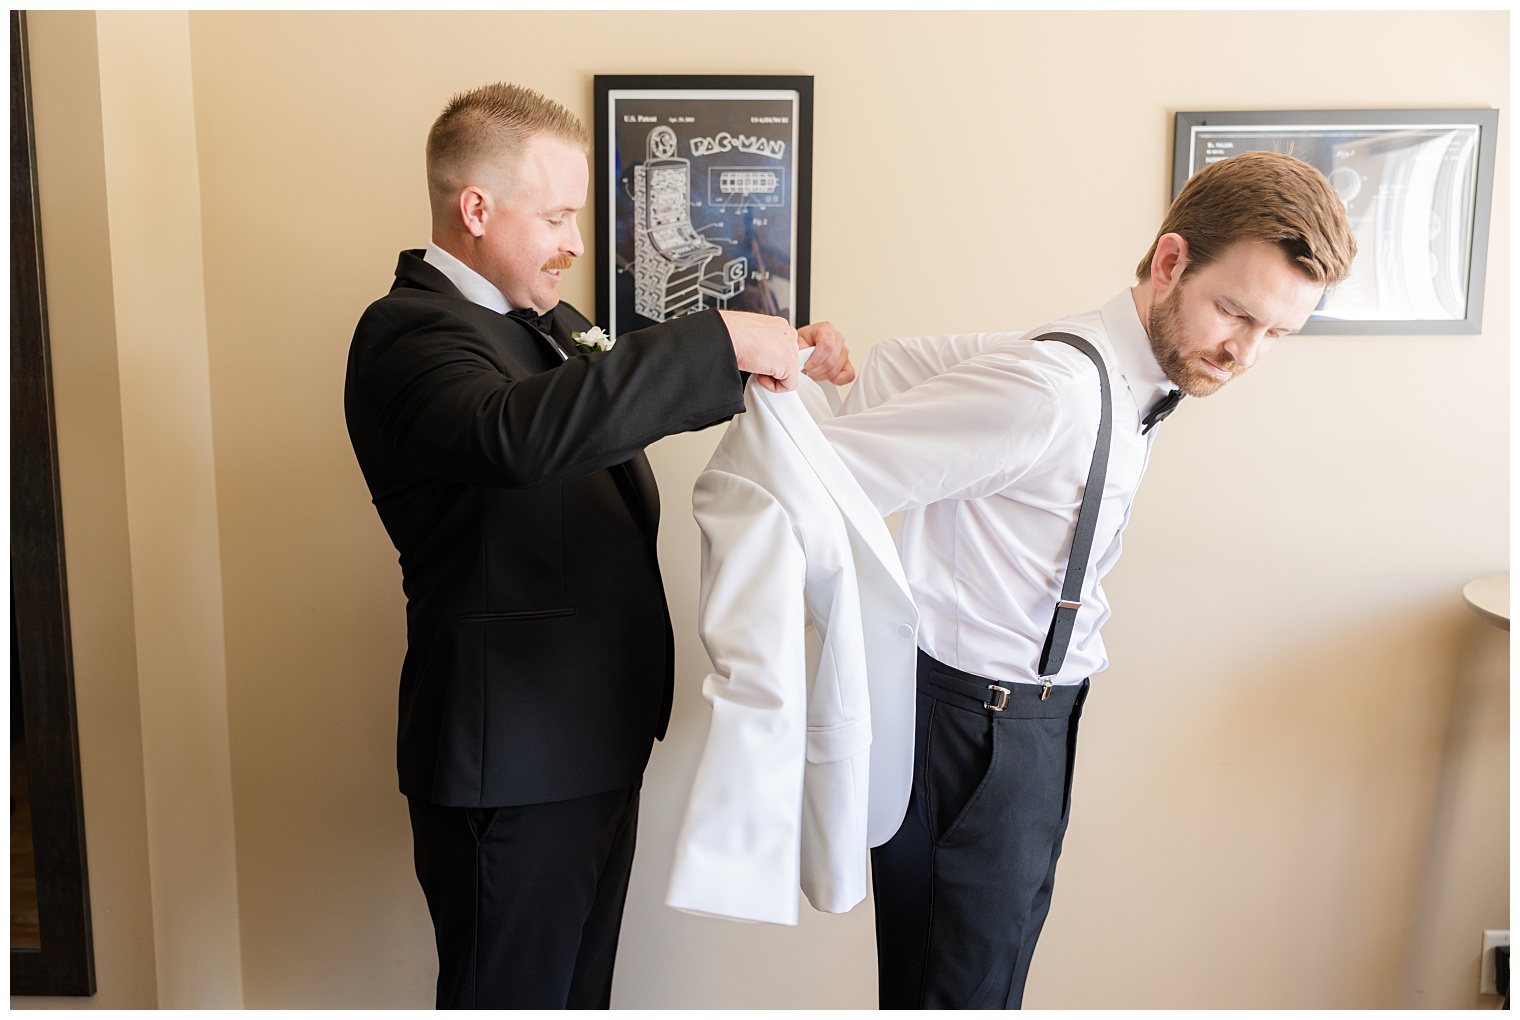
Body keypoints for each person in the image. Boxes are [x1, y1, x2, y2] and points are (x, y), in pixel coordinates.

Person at [342, 82, 852, 1009]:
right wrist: (718, 338)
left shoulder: (544, 325)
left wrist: (771, 360)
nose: (577, 243)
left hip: (586, 744)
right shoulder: (408, 333)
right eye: (560, 217)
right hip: (515, 761)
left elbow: (603, 411)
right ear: (476, 208)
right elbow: (517, 435)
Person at [817, 151, 1357, 1009]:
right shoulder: (1055, 390)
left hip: (1036, 724)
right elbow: (817, 485)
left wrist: (848, 375)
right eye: (1235, 312)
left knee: (988, 988)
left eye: (1277, 333)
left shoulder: (1119, 365)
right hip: (971, 732)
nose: (1246, 353)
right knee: (954, 998)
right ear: (1171, 261)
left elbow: (906, 364)